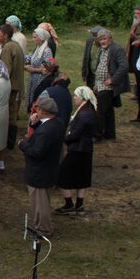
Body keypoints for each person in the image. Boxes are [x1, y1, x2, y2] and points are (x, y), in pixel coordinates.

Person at [19, 95, 66, 237]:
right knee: (43, 201)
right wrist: (34, 125)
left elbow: (37, 151)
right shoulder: (57, 123)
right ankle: (43, 226)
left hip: (39, 171)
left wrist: (22, 145)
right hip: (49, 169)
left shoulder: (46, 131)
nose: (35, 111)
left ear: (43, 111)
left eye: (37, 109)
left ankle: (43, 229)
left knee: (40, 204)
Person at [56, 87, 97, 215]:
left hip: (78, 149)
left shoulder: (85, 114)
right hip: (85, 149)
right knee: (82, 177)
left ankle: (69, 204)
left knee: (61, 174)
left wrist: (63, 138)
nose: (74, 98)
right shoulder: (87, 111)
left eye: (76, 96)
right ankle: (79, 205)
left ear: (83, 98)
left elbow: (76, 133)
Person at [90, 29, 128, 140]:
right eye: (100, 39)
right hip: (100, 84)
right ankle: (110, 134)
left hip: (108, 86)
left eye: (104, 39)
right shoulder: (102, 50)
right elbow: (100, 66)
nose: (102, 41)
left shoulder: (117, 49)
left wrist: (113, 80)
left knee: (100, 110)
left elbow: (124, 66)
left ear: (110, 39)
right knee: (108, 110)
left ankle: (97, 135)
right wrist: (96, 83)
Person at [0, 25, 26, 145]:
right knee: (12, 111)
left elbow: (6, 69)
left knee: (6, 112)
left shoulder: (8, 48)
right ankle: (10, 140)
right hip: (16, 84)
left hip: (9, 85)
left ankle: (7, 140)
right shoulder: (16, 45)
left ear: (6, 35)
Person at [24, 27, 55, 106]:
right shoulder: (37, 48)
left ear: (41, 38)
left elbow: (47, 69)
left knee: (37, 98)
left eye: (35, 37)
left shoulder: (47, 51)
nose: (32, 39)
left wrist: (32, 69)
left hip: (40, 80)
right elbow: (30, 58)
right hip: (33, 78)